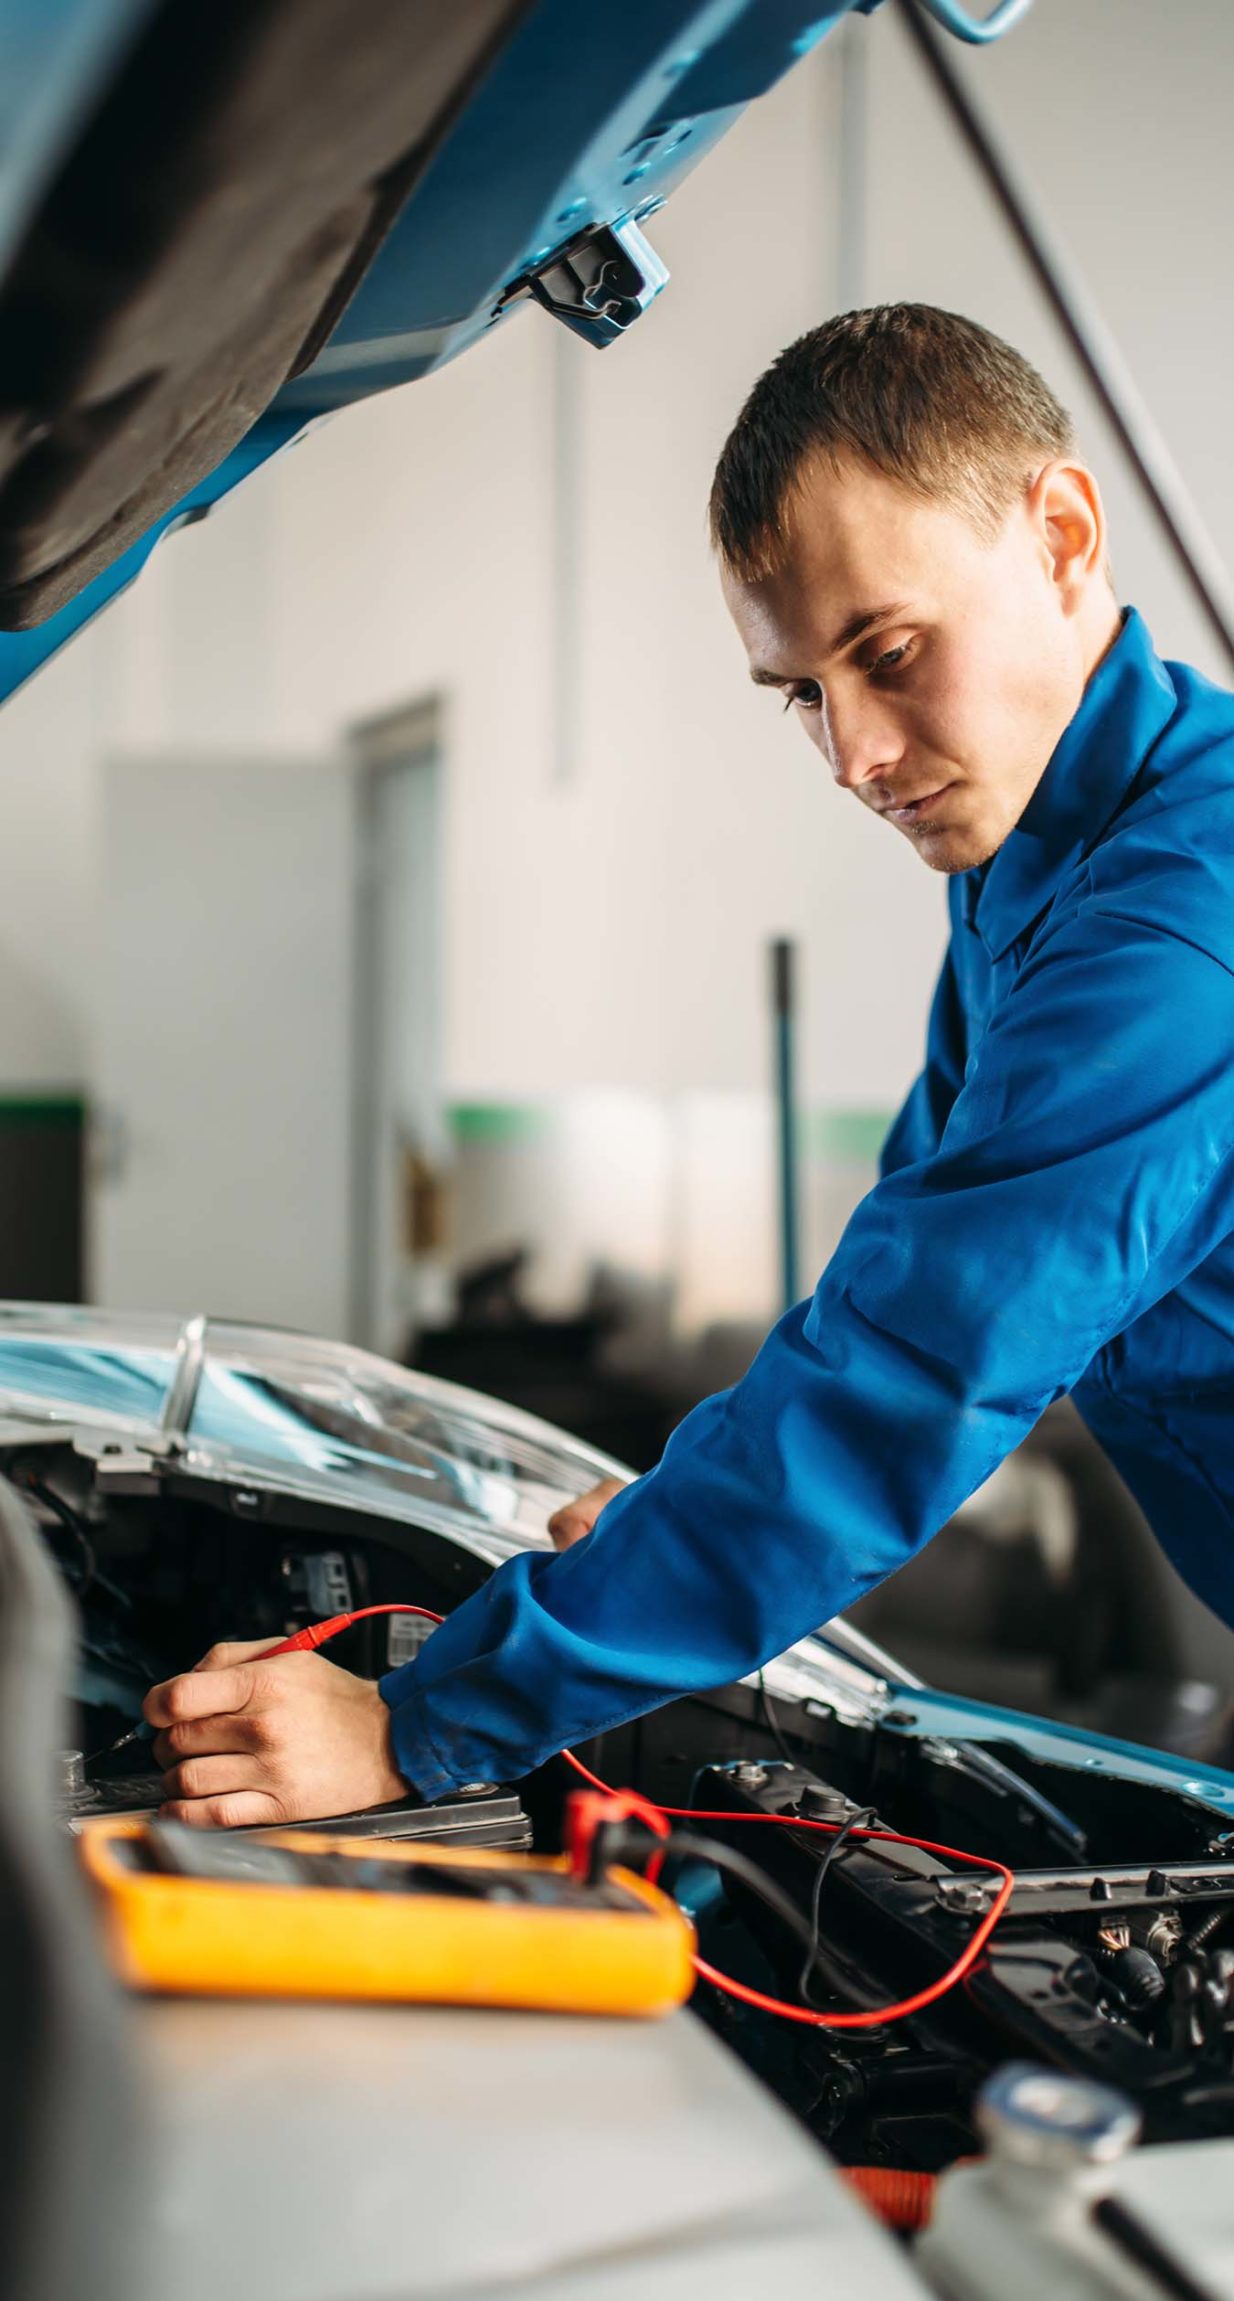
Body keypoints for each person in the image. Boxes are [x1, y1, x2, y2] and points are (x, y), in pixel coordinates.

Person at [145, 302, 1234, 1827]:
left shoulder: (1178, 923)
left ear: (1059, 533)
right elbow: (902, 1259)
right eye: (800, 692)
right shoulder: (1036, 867)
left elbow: (910, 1378)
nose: (850, 755)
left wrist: (415, 1727)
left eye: (889, 652)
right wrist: (667, 1521)